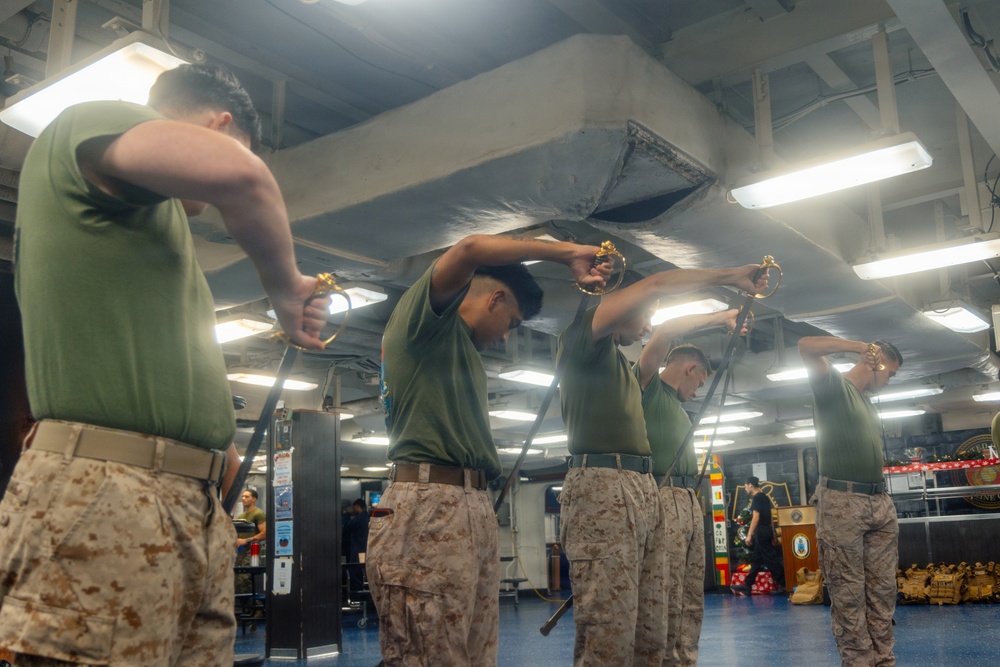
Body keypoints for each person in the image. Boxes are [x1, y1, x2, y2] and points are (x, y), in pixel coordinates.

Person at [0, 63, 330, 667]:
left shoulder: (159, 232)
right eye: (234, 142)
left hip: (190, 505)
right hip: (107, 488)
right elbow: (243, 175)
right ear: (220, 124)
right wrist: (286, 287)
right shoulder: (93, 119)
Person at [369, 234, 610, 666]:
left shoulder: (461, 350)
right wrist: (569, 253)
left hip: (466, 504)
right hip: (427, 505)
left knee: (475, 654)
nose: (506, 338)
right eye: (512, 323)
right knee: (427, 655)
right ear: (494, 298)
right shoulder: (426, 323)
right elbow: (469, 250)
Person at [557, 265, 766, 666]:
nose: (648, 327)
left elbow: (660, 325)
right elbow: (665, 323)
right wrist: (729, 284)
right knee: (611, 623)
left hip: (644, 493)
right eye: (645, 314)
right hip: (611, 488)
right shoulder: (630, 369)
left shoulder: (624, 373)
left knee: (657, 617)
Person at [635, 310, 740, 666]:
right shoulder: (648, 387)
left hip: (688, 501)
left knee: (689, 595)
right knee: (661, 592)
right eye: (699, 383)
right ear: (690, 368)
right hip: (661, 497)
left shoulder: (679, 409)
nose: (697, 393)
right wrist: (722, 318)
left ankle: (683, 660)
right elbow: (665, 331)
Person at [798, 335, 903, 667]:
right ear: (877, 363)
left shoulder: (866, 402)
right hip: (843, 502)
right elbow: (805, 346)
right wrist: (860, 348)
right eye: (890, 373)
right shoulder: (834, 388)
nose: (889, 381)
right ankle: (858, 662)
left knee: (882, 593)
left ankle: (883, 660)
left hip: (878, 502)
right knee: (848, 594)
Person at [732, 476, 785, 595]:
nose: (745, 489)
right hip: (767, 530)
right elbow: (770, 516)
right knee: (756, 559)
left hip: (761, 531)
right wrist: (773, 532)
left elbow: (756, 517)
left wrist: (749, 535)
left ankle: (785, 583)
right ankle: (747, 585)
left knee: (770, 559)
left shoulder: (757, 498)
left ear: (750, 485)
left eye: (746, 486)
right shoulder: (764, 497)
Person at [345, 498, 370, 592]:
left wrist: (346, 514)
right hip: (365, 548)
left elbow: (346, 527)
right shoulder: (367, 517)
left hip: (358, 548)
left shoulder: (359, 519)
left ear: (357, 507)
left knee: (355, 570)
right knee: (363, 570)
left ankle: (357, 592)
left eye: (354, 508)